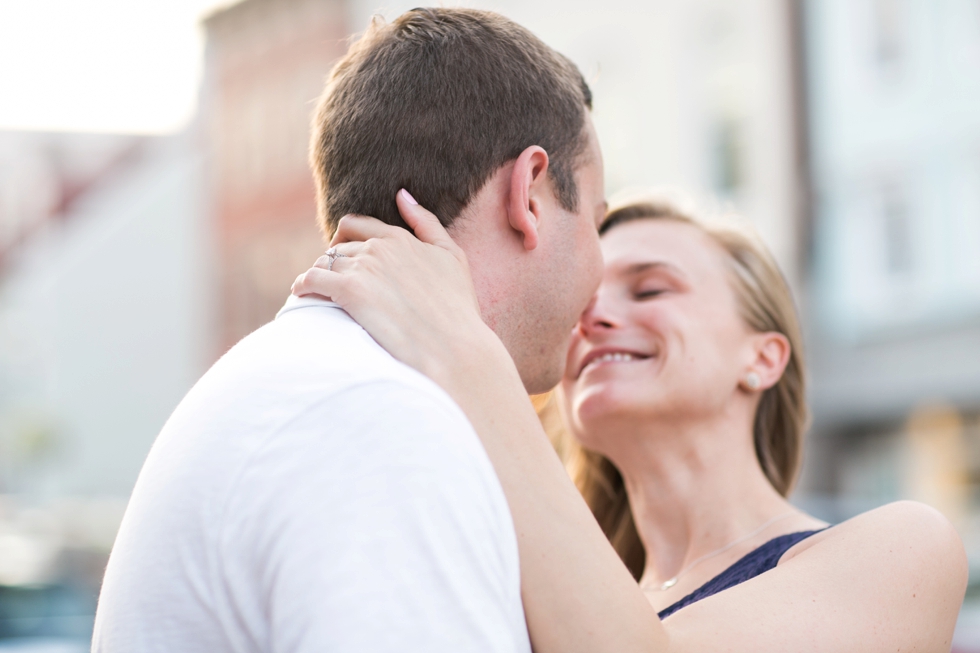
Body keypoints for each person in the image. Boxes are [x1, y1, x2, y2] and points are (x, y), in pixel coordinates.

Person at [92, 8, 610, 652]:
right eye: (595, 217)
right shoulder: (379, 415)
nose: (601, 267)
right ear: (530, 194)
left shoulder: (315, 381)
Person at [292, 192, 968, 651]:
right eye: (585, 299)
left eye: (650, 288)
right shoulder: (526, 593)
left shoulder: (903, 548)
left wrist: (464, 349)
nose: (595, 318)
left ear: (762, 358)